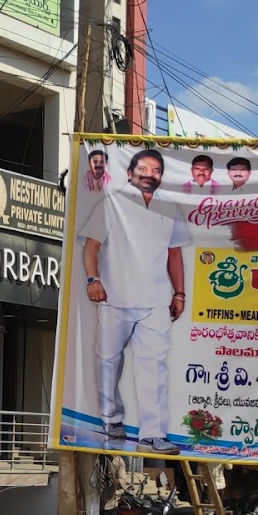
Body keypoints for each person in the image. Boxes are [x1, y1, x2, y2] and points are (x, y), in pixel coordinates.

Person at [81, 148, 188, 456]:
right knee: (107, 361)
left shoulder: (170, 209)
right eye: (143, 169)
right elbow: (91, 247)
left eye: (156, 170)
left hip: (155, 301)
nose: (149, 174)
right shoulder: (111, 204)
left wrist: (179, 293)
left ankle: (153, 435)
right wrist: (93, 280)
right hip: (115, 296)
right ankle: (110, 421)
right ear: (129, 174)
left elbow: (174, 254)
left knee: (154, 368)